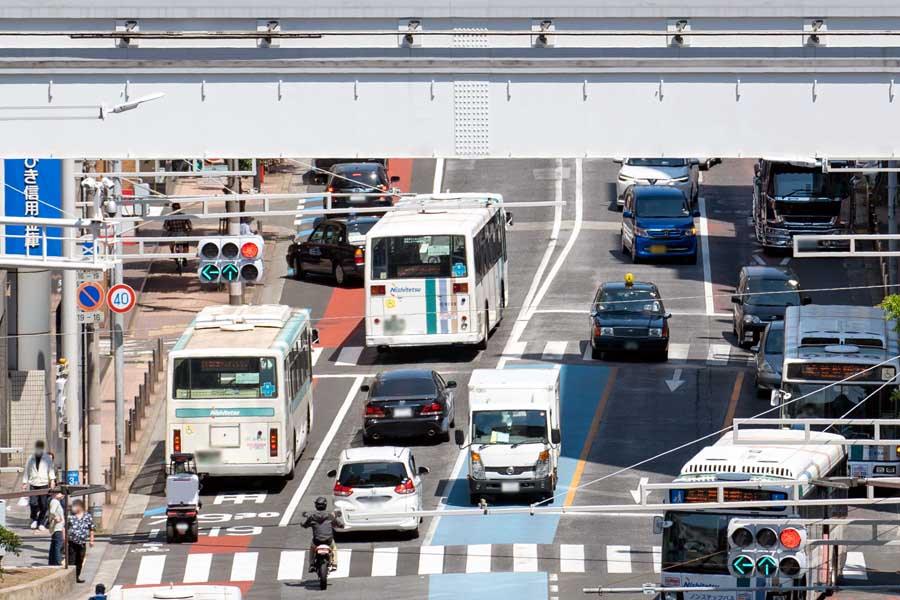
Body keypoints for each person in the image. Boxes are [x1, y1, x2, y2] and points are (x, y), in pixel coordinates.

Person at [20, 440, 57, 530]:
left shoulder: (47, 458)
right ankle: (34, 519)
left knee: (43, 504)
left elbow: (51, 469)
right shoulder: (31, 458)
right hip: (33, 483)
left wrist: (52, 480)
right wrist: (24, 483)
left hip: (44, 483)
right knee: (33, 503)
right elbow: (27, 470)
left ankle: (41, 522)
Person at [301, 496, 340, 573]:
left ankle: (311, 564)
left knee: (312, 548)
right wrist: (341, 525)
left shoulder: (312, 517)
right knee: (334, 547)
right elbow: (338, 524)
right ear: (325, 505)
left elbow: (305, 525)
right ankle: (334, 564)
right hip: (328, 541)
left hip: (317, 541)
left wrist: (302, 524)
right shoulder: (330, 516)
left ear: (316, 505)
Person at [66, 499, 95, 583]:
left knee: (80, 559)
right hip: (72, 541)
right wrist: (65, 539)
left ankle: (77, 576)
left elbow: (91, 528)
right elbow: (65, 528)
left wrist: (91, 540)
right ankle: (71, 578)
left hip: (82, 542)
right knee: (71, 560)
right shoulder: (70, 516)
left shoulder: (87, 516)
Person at [47, 488, 65, 566]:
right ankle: (57, 562)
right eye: (61, 493)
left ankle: (52, 562)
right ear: (55, 494)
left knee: (54, 544)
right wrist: (56, 516)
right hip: (57, 527)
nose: (63, 495)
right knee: (58, 545)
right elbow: (52, 511)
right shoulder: (55, 501)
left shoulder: (55, 501)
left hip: (57, 527)